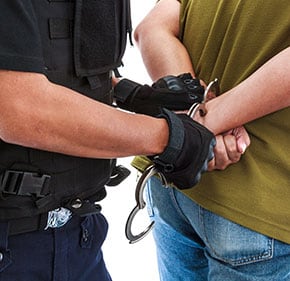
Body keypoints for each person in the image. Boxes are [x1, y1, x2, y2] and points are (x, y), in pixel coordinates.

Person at [0, 1, 220, 280]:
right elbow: (19, 108)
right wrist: (167, 137)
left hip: (79, 231)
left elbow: (59, 63)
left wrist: (132, 94)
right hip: (12, 242)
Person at [132, 0, 290, 280]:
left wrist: (190, 117)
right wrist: (204, 121)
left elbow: (152, 28)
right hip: (260, 199)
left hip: (175, 179)